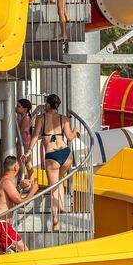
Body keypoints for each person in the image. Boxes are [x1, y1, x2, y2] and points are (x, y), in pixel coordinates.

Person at [30, 93, 82, 231]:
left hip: (52, 154)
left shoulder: (41, 118)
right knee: (60, 179)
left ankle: (55, 220)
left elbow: (35, 136)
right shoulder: (63, 118)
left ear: (47, 104)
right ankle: (62, 207)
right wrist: (76, 130)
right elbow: (70, 138)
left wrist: (28, 150)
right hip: (66, 154)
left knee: (53, 188)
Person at [0, 155, 34, 254]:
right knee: (24, 251)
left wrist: (20, 187)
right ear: (15, 167)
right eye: (19, 166)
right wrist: (33, 190)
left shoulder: (0, 180)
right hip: (0, 224)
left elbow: (8, 198)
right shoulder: (7, 182)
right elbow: (21, 203)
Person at [14, 98, 34, 164]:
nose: (16, 108)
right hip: (23, 142)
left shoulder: (26, 118)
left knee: (20, 162)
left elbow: (20, 132)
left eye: (18, 106)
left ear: (25, 109)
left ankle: (19, 174)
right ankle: (29, 174)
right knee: (27, 163)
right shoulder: (23, 117)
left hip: (24, 143)